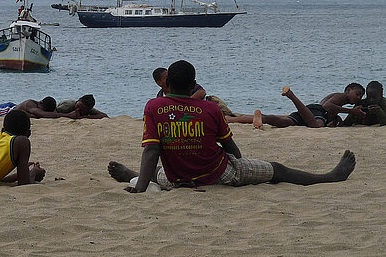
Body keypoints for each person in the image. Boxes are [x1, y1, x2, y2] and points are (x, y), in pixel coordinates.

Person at [108, 60, 356, 192]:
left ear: (167, 84)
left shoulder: (153, 107)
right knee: (277, 170)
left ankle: (134, 178)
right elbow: (231, 148)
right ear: (193, 84)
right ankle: (329, 178)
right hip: (219, 174)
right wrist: (238, 162)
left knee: (158, 170)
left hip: (177, 178)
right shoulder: (210, 108)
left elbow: (151, 151)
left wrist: (140, 189)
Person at [226, 83, 365, 129]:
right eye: (357, 93)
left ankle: (263, 118)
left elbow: (332, 112)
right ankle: (291, 95)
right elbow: (328, 107)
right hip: (317, 110)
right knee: (316, 126)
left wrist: (336, 120)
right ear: (348, 90)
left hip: (309, 112)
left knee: (285, 122)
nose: (358, 97)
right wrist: (352, 111)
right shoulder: (341, 96)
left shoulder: (340, 99)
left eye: (360, 96)